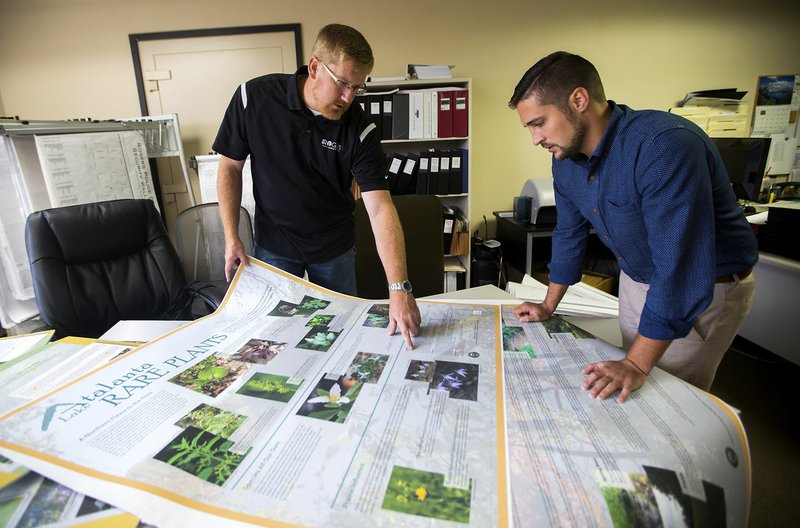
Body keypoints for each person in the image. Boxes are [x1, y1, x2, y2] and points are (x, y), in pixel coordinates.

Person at [508, 52, 758, 403]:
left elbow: (679, 266)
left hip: (703, 284)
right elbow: (569, 234)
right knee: (628, 391)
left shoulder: (663, 145)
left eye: (539, 123)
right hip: (638, 278)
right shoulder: (565, 160)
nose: (536, 139)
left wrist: (638, 365)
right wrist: (549, 305)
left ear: (578, 100)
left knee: (667, 396)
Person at [213, 23, 421, 348]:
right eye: (342, 84)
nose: (348, 97)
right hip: (274, 247)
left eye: (358, 87)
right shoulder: (252, 99)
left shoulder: (360, 128)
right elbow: (230, 167)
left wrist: (399, 288)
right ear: (314, 67)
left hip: (333, 249)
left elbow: (380, 208)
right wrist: (231, 236)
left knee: (339, 335)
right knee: (273, 338)